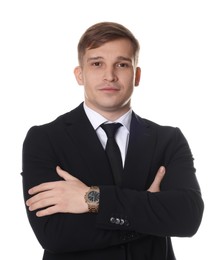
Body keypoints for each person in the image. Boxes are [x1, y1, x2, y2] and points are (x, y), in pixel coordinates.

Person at [22, 22, 204, 260]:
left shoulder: (168, 139)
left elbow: (187, 218)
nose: (109, 75)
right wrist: (150, 215)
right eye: (97, 63)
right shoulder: (44, 139)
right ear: (80, 74)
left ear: (136, 75)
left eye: (122, 64)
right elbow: (54, 235)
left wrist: (92, 199)